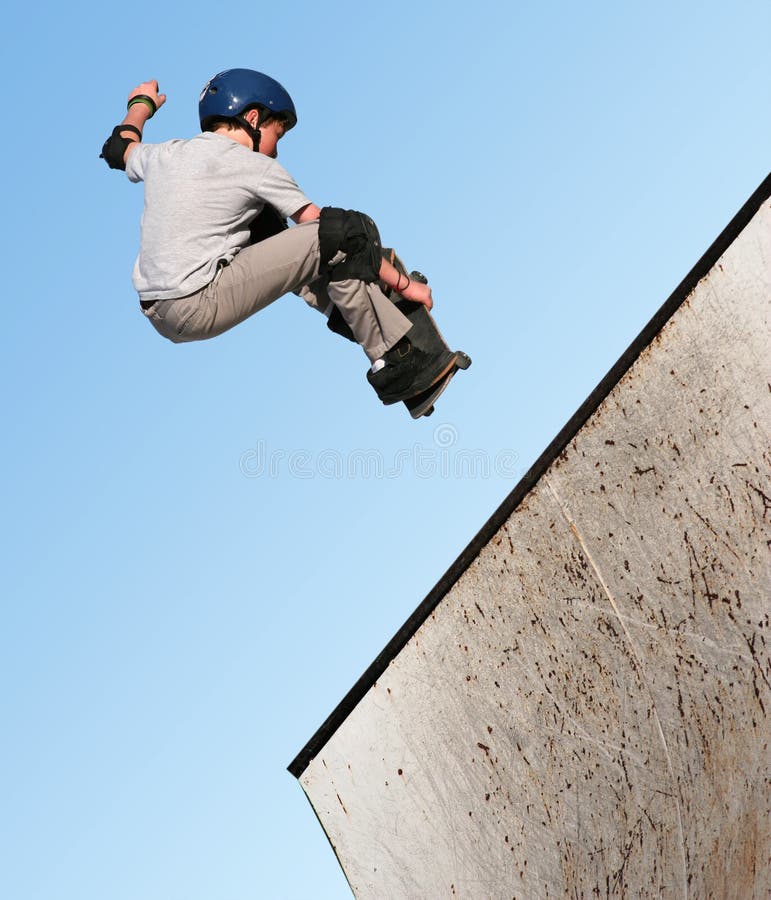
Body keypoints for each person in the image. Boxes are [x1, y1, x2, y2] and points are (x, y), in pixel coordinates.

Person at [100, 69, 457, 405]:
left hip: (160, 311)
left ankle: (351, 311)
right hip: (198, 301)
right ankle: (397, 363)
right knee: (343, 231)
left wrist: (140, 104)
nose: (276, 148)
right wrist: (405, 285)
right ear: (252, 119)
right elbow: (336, 234)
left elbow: (120, 147)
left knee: (267, 225)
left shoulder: (167, 153)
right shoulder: (255, 166)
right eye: (277, 135)